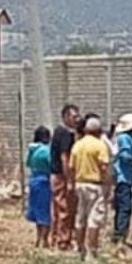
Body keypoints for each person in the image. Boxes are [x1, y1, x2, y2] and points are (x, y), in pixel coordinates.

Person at [70, 115, 111, 259]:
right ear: (98, 131)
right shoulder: (100, 145)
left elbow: (72, 167)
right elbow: (104, 167)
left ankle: (79, 249)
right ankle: (92, 251)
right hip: (95, 185)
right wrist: (108, 184)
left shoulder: (77, 145)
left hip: (80, 184)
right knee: (94, 219)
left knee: (80, 217)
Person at [50, 105, 80, 250]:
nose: (77, 119)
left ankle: (56, 238)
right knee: (65, 209)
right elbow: (64, 158)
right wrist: (69, 180)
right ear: (66, 117)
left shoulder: (58, 132)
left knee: (59, 209)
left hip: (59, 176)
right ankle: (63, 241)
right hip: (62, 176)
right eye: (74, 117)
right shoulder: (65, 134)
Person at [111, 113, 132, 245]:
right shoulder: (125, 139)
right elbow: (124, 155)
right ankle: (120, 237)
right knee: (125, 208)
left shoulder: (123, 138)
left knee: (121, 207)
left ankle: (118, 235)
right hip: (124, 178)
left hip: (124, 178)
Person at [25, 126, 54, 248]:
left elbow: (28, 163)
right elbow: (52, 164)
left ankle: (38, 238)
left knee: (37, 210)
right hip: (44, 181)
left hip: (33, 180)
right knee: (45, 211)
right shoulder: (46, 151)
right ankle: (45, 239)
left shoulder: (32, 150)